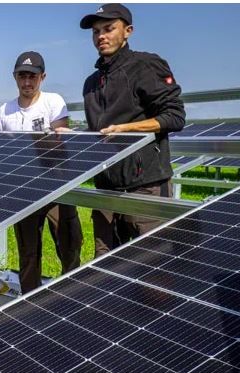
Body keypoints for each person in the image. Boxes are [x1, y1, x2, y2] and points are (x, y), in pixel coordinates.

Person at [80, 3, 186, 257]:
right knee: (104, 264)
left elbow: (175, 116)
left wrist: (128, 129)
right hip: (106, 185)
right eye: (96, 31)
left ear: (128, 31)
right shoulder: (91, 83)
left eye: (108, 28)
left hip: (145, 183)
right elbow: (100, 131)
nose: (101, 36)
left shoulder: (146, 66)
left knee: (152, 264)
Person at [0, 51, 83, 292]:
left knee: (69, 242)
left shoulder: (53, 102)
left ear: (43, 77)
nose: (27, 82)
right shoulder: (5, 111)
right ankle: (30, 300)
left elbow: (61, 138)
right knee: (28, 251)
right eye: (22, 76)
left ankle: (72, 291)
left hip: (56, 183)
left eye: (32, 76)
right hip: (24, 189)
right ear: (15, 77)